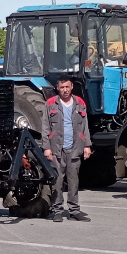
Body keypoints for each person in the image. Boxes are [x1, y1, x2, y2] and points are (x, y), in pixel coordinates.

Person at [41, 77, 92, 222]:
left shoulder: (80, 103)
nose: (65, 90)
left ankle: (74, 211)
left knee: (73, 181)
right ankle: (57, 210)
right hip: (56, 149)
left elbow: (85, 126)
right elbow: (45, 127)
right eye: (62, 87)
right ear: (57, 88)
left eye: (67, 87)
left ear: (71, 87)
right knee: (57, 181)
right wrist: (47, 148)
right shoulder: (50, 103)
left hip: (75, 148)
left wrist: (87, 145)